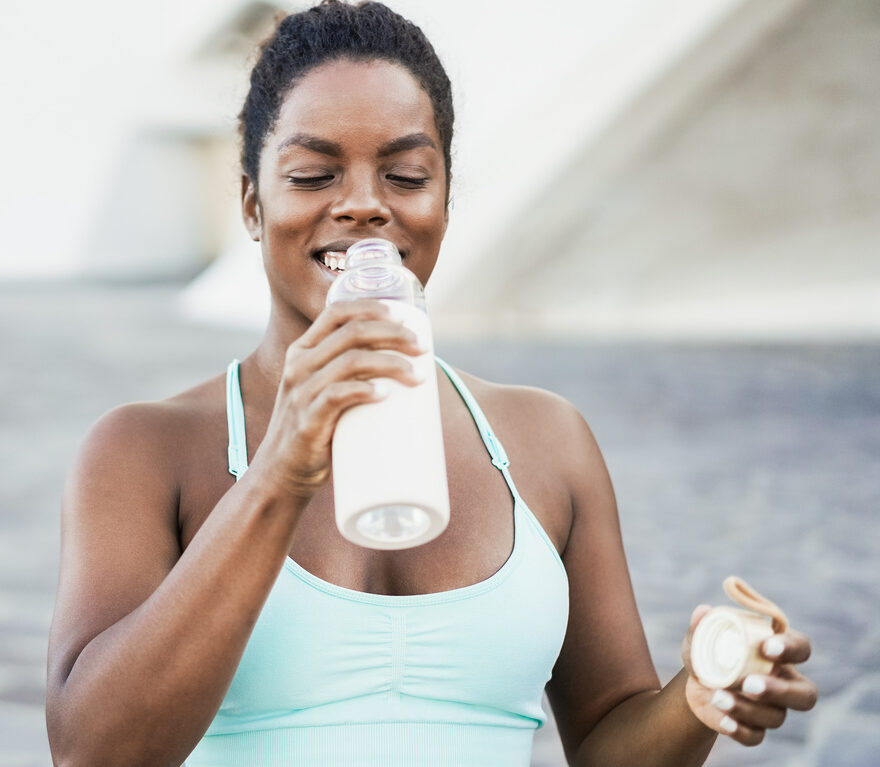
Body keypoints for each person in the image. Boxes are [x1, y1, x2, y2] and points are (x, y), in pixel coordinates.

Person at [44, 2, 818, 765]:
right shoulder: (145, 451)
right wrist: (279, 472)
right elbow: (93, 752)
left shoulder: (546, 444)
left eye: (406, 174)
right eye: (313, 174)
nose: (363, 204)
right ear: (253, 202)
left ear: (446, 201)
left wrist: (700, 696)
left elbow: (611, 737)